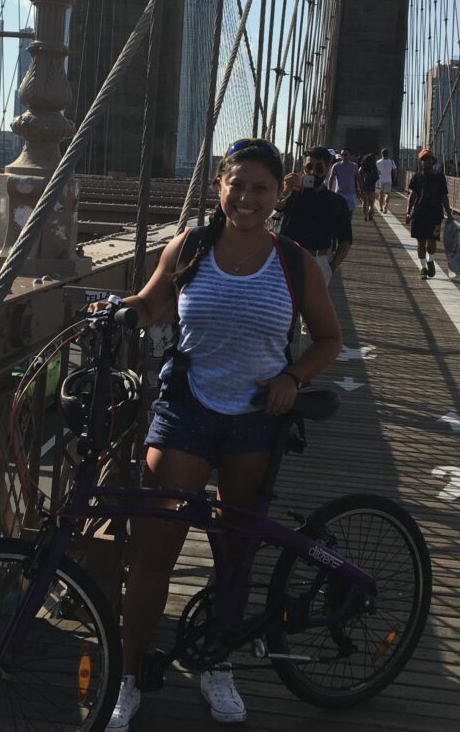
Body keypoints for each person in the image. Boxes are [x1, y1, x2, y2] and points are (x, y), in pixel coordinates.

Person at [98, 138, 342, 731]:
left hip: (255, 420)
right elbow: (151, 305)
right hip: (187, 411)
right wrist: (113, 310)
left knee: (234, 555)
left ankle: (217, 663)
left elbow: (328, 338)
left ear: (280, 193)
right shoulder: (190, 247)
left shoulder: (295, 263)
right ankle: (126, 677)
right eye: (238, 185)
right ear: (219, 187)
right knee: (156, 548)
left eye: (261, 187)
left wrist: (293, 375)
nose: (248, 198)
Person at [273, 145, 353, 285]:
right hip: (286, 258)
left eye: (319, 168)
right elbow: (272, 209)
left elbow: (346, 238)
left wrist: (332, 266)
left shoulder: (337, 202)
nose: (312, 173)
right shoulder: (292, 194)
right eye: (308, 167)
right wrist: (285, 191)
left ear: (328, 167)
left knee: (312, 307)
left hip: (319, 261)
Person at [405, 149, 453, 279]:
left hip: (435, 214)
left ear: (433, 161)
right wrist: (408, 212)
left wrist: (449, 213)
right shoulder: (417, 177)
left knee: (432, 243)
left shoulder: (439, 177)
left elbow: (444, 197)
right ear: (421, 162)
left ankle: (430, 260)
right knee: (421, 242)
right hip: (419, 213)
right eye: (424, 160)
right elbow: (412, 195)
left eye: (429, 160)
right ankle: (423, 267)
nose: (427, 162)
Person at [328, 148, 361, 214]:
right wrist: (329, 190)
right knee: (339, 212)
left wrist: (360, 189)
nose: (343, 156)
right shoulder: (336, 166)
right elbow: (331, 178)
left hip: (351, 194)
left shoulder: (354, 166)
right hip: (339, 193)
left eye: (345, 154)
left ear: (350, 156)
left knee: (349, 213)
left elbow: (358, 178)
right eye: (342, 154)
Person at [376, 148, 397, 214]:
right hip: (388, 179)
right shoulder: (391, 161)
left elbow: (377, 172)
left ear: (381, 154)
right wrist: (395, 177)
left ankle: (381, 207)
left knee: (381, 194)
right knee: (387, 193)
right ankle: (386, 206)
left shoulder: (377, 162)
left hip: (380, 180)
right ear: (388, 154)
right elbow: (395, 170)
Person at [359, 153, 379, 221]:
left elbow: (359, 175)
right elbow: (377, 177)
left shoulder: (363, 167)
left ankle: (365, 215)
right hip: (372, 186)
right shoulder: (374, 167)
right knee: (371, 202)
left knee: (364, 202)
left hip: (364, 186)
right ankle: (370, 210)